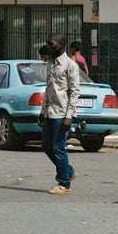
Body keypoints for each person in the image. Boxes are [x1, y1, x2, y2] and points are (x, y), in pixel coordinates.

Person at [39, 40, 82, 195]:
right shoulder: (50, 63)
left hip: (62, 113)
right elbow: (49, 89)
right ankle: (68, 171)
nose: (50, 48)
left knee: (58, 147)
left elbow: (74, 92)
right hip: (49, 111)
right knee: (46, 145)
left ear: (61, 46)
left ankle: (64, 183)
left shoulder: (70, 65)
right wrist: (42, 111)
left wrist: (69, 116)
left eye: (53, 45)